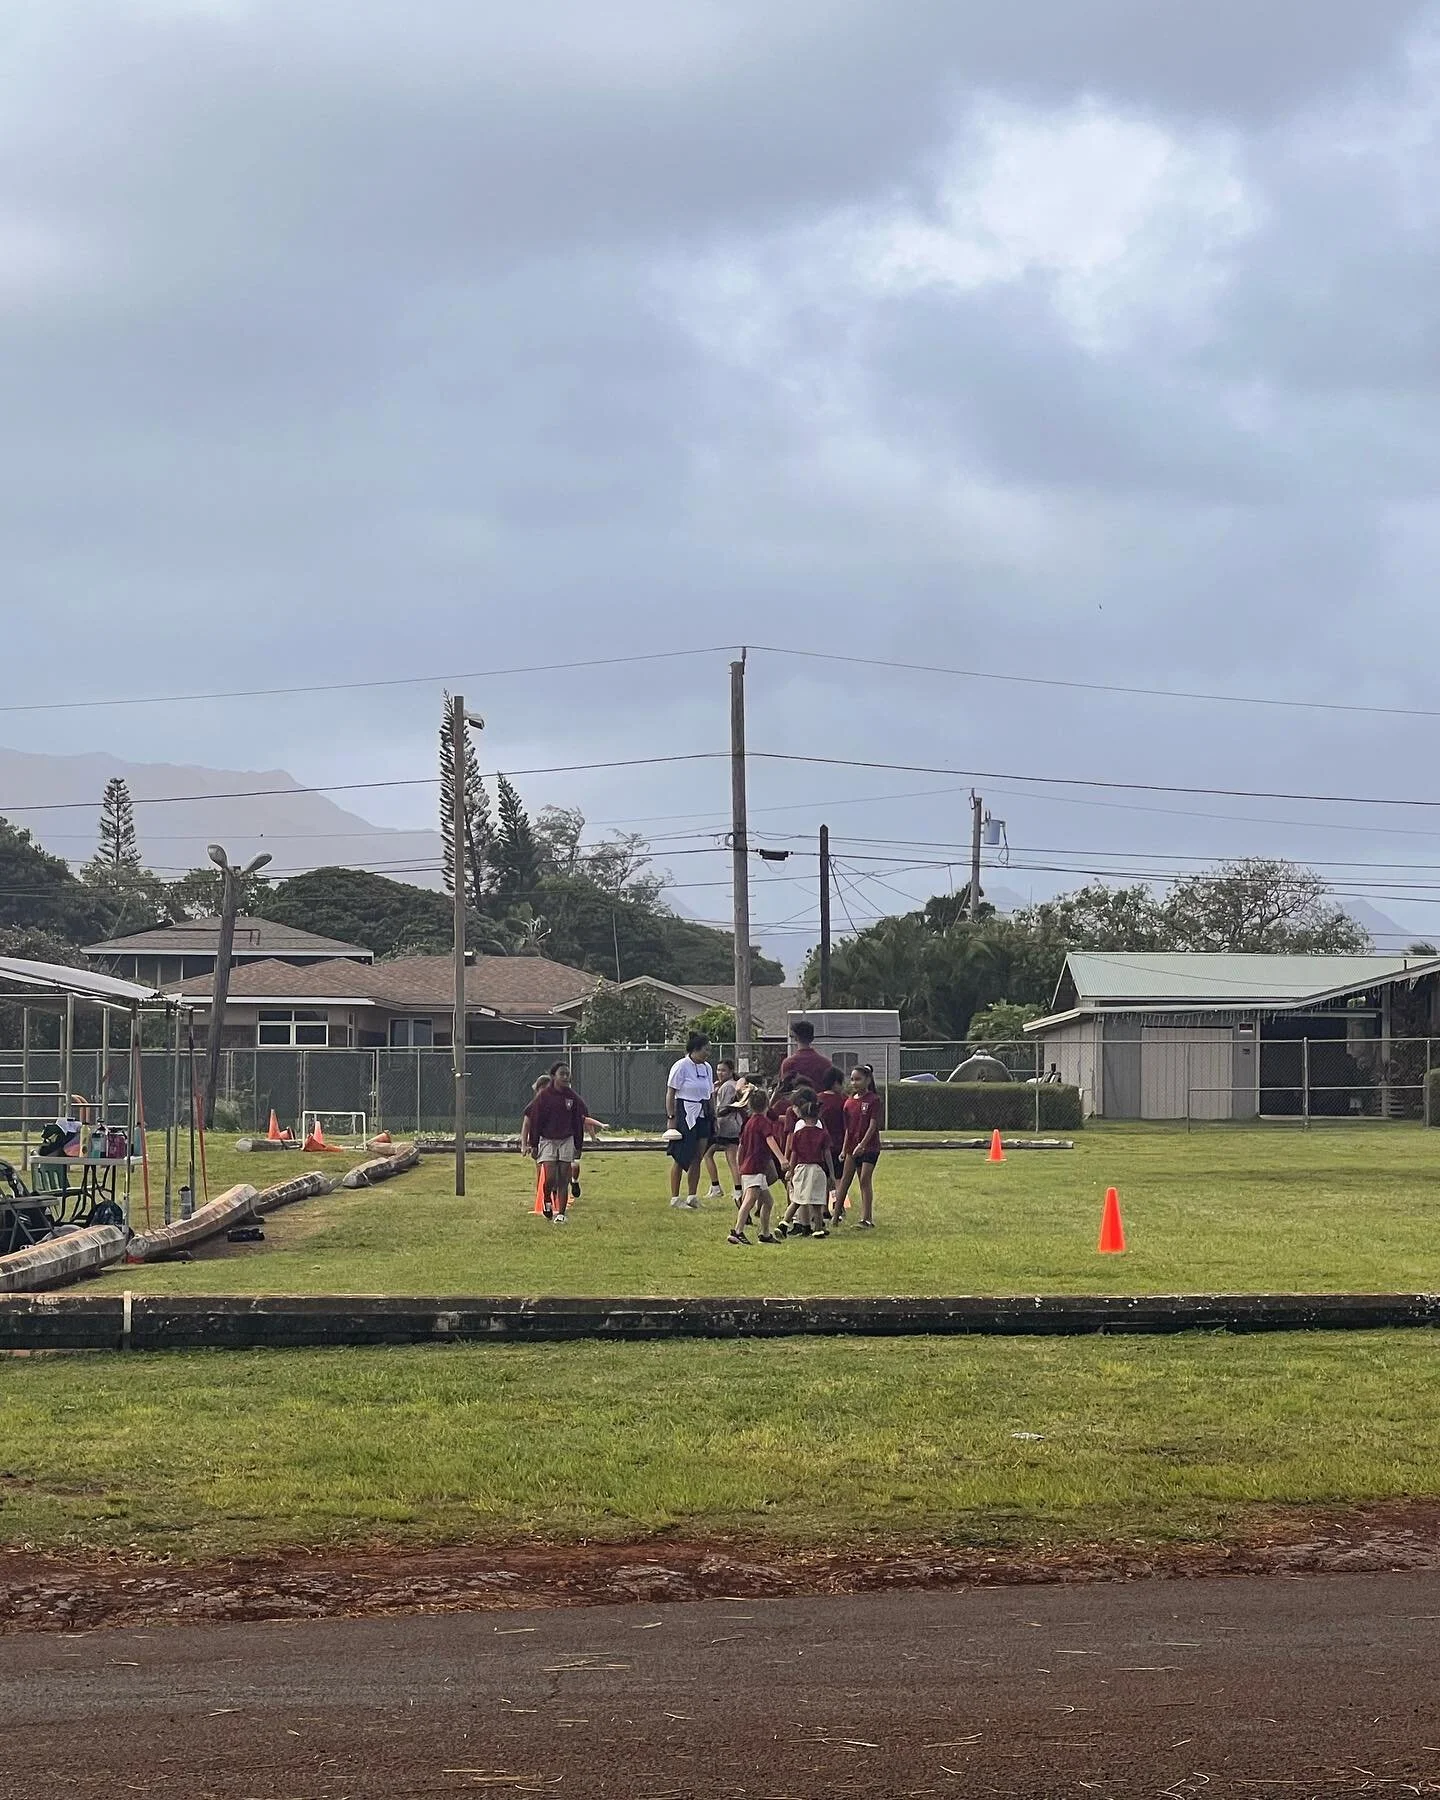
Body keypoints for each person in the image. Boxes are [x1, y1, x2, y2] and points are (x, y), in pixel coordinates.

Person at [527, 1062, 585, 1224]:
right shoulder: (544, 1097)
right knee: (550, 1177)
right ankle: (546, 1198)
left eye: (568, 1074)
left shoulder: (572, 1097)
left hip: (566, 1139)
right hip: (547, 1140)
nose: (566, 1077)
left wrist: (578, 1146)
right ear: (554, 1076)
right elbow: (535, 1121)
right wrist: (534, 1144)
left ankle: (560, 1213)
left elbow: (578, 1121)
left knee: (563, 1178)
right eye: (562, 1074)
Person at [665, 1030, 716, 1209]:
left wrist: (713, 1113)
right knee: (681, 1155)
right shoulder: (681, 1066)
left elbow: (710, 1092)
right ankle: (675, 1197)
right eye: (705, 1050)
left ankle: (692, 1195)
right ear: (695, 1049)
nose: (708, 1054)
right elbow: (671, 1092)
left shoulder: (707, 1068)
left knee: (698, 1155)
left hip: (703, 1112)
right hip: (685, 1112)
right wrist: (671, 1117)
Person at [730, 1087, 787, 1245]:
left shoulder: (749, 1122)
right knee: (750, 1199)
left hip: (751, 1167)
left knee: (767, 1201)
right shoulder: (763, 1122)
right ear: (767, 1104)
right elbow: (770, 1140)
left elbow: (741, 1145)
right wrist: (782, 1159)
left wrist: (739, 1162)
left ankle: (765, 1234)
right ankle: (738, 1231)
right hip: (755, 1166)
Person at [777, 1089, 831, 1239]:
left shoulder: (799, 1129)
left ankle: (787, 1223)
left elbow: (793, 1150)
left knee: (798, 1199)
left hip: (801, 1167)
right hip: (817, 1168)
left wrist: (790, 1168)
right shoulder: (821, 1129)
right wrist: (830, 1173)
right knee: (817, 1199)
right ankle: (817, 1227)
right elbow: (826, 1153)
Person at [835, 1062, 883, 1228]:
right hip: (851, 1148)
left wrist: (862, 1144)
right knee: (844, 1181)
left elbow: (872, 1125)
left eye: (858, 1079)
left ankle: (866, 1218)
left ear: (868, 1080)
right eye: (852, 1079)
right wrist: (844, 1149)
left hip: (869, 1147)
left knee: (864, 1179)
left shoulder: (873, 1100)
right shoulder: (848, 1102)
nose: (855, 1083)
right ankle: (835, 1216)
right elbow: (848, 1129)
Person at [705, 1058, 744, 1204]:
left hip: (726, 1126)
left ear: (731, 1071)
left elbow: (725, 1107)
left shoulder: (728, 1086)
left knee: (708, 1154)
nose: (720, 1073)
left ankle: (716, 1186)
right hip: (733, 1124)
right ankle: (737, 1189)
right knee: (731, 1158)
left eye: (723, 1070)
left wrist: (714, 1116)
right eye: (718, 1069)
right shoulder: (728, 1085)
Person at [816, 1067, 848, 1222]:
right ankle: (838, 1205)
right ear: (836, 1083)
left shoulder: (818, 1100)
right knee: (839, 1178)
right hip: (839, 1144)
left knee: (824, 1176)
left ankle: (823, 1208)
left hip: (821, 1145)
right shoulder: (843, 1100)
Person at [779, 1019, 838, 1093]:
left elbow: (784, 1090)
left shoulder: (788, 1063)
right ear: (812, 1039)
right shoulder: (826, 1063)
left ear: (796, 1038)